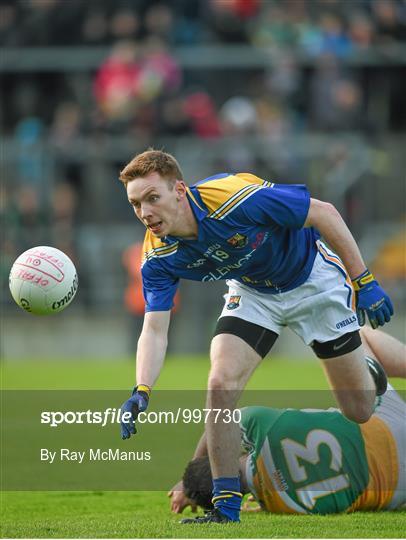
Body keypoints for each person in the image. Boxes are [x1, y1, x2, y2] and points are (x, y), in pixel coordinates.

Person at [118, 149, 393, 523]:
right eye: (136, 204)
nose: (145, 212)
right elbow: (154, 329)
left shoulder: (231, 198)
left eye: (153, 198)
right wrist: (141, 389)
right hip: (253, 293)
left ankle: (369, 362)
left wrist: (364, 280)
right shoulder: (157, 256)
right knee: (220, 382)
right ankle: (226, 506)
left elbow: (324, 212)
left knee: (359, 411)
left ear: (179, 190)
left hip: (312, 280)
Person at [174, 327, 406, 519]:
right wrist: (192, 471)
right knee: (356, 334)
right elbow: (219, 422)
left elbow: (277, 480)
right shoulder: (261, 426)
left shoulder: (280, 506)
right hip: (389, 428)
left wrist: (196, 486)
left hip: (398, 489)